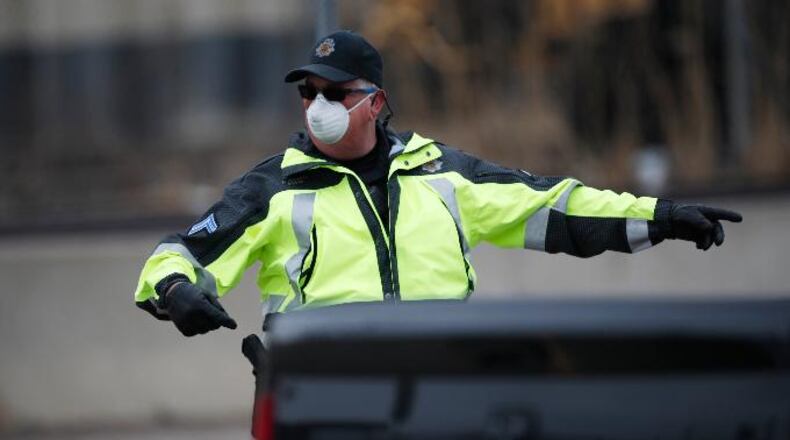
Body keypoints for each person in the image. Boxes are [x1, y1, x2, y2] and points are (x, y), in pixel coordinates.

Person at [133, 30, 742, 338]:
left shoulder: (442, 174)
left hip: (435, 388)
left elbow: (556, 206)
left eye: (335, 93)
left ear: (375, 103)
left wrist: (659, 217)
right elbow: (181, 252)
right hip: (317, 394)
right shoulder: (272, 189)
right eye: (308, 93)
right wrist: (176, 292)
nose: (317, 105)